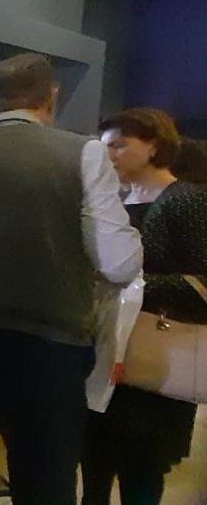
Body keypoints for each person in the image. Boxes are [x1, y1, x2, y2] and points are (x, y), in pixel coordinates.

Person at [0, 54, 143, 505]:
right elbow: (120, 263)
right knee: (44, 486)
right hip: (49, 350)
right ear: (51, 98)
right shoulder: (83, 152)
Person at [82, 108, 206, 505]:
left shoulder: (186, 200)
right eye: (105, 147)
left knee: (141, 472)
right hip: (105, 352)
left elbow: (202, 282)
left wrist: (131, 285)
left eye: (119, 145)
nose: (110, 155)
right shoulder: (116, 200)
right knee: (94, 463)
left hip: (155, 357)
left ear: (154, 146)